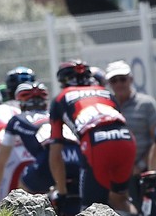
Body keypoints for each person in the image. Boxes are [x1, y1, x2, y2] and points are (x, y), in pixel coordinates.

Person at [49, 60, 137, 213]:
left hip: (96, 142)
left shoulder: (60, 98)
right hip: (126, 138)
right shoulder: (106, 92)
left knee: (90, 209)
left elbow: (56, 152)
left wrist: (62, 192)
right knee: (120, 199)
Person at [0, 82, 81, 203]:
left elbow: (0, 164)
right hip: (77, 155)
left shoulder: (16, 120)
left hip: (50, 157)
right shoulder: (54, 116)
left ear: (21, 103)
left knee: (23, 193)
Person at [105, 59, 156, 204]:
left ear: (131, 79)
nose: (119, 84)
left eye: (122, 79)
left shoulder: (146, 104)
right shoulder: (105, 107)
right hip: (115, 177)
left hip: (144, 174)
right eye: (114, 80)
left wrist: (140, 166)